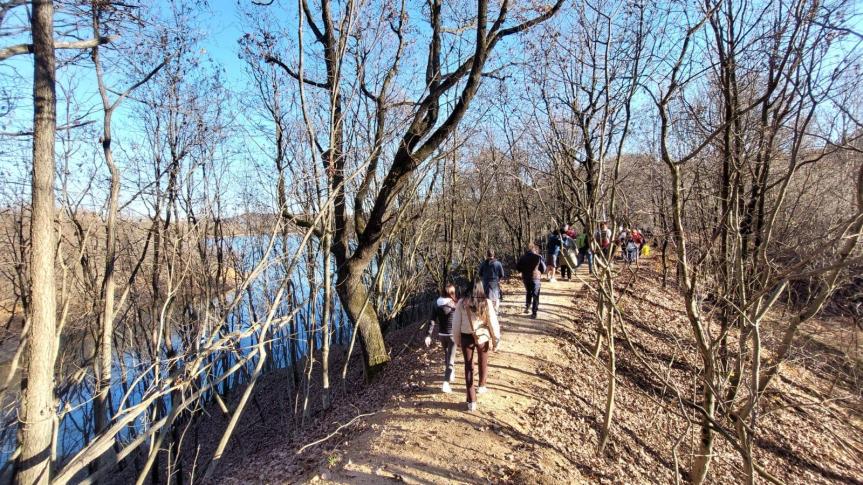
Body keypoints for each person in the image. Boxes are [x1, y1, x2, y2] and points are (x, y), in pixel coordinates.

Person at [452, 281, 501, 412]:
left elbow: (456, 324)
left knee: (468, 366)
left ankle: (471, 400)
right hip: (482, 337)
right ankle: (482, 385)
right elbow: (492, 323)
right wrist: (496, 341)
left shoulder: (462, 303)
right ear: (481, 289)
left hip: (466, 336)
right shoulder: (486, 302)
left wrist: (457, 340)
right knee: (483, 361)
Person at [425, 284, 458, 393]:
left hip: (442, 335)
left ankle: (451, 373)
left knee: (447, 353)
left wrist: (428, 335)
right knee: (451, 359)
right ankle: (446, 383)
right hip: (452, 335)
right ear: (451, 293)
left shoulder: (435, 303)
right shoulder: (453, 304)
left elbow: (432, 320)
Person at [516, 243, 546, 318]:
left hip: (526, 278)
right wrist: (539, 271)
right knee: (535, 295)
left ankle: (527, 306)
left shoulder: (523, 257)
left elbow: (518, 268)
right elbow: (544, 269)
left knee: (528, 292)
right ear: (534, 249)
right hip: (535, 278)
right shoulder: (538, 257)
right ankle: (534, 313)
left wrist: (524, 270)